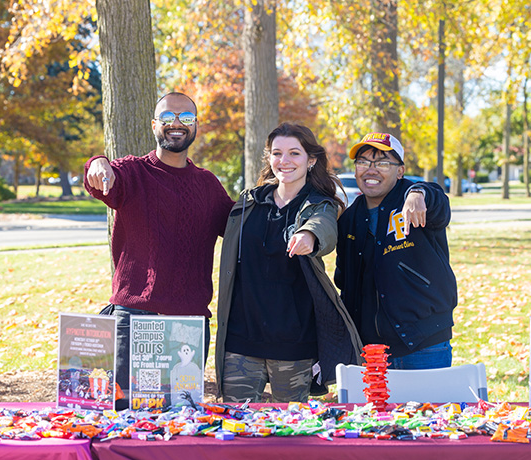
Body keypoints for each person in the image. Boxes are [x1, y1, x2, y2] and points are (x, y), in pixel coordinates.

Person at [84, 92, 234, 409]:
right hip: (134, 318)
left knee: (179, 419)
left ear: (196, 127)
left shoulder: (208, 185)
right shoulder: (133, 172)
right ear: (154, 125)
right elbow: (102, 180)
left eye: (185, 118)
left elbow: (239, 227)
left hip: (188, 324)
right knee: (121, 416)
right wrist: (97, 163)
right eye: (167, 118)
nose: (176, 124)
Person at [215, 123, 362, 403]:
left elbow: (325, 227)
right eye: (277, 153)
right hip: (240, 343)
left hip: (295, 346)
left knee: (291, 432)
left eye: (295, 153)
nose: (285, 161)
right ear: (269, 159)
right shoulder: (248, 204)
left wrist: (309, 234)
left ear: (311, 160)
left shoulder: (320, 204)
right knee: (238, 429)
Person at [334, 132, 457, 370]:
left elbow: (438, 202)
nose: (371, 170)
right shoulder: (349, 219)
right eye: (363, 162)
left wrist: (418, 194)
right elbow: (345, 282)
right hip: (371, 351)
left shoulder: (416, 200)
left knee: (428, 409)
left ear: (400, 171)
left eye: (382, 163)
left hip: (425, 343)